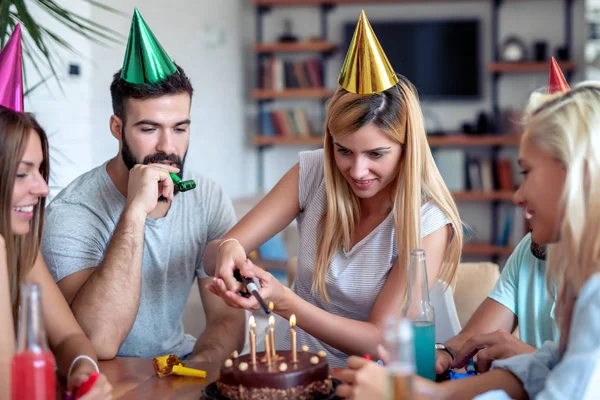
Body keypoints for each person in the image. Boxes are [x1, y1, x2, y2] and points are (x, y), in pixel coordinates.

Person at [204, 11, 463, 368]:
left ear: (407, 148)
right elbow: (217, 253)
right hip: (288, 366)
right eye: (344, 151)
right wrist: (228, 251)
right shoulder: (313, 172)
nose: (357, 171)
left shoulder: (429, 222)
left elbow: (380, 340)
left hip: (364, 381)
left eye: (376, 154)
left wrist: (285, 302)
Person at [340, 81, 600, 399]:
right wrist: (418, 391)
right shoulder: (574, 276)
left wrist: (403, 393)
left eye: (527, 172)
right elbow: (544, 367)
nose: (518, 195)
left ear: (577, 175)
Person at [40, 9, 244, 361]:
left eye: (180, 128)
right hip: (106, 381)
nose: (168, 146)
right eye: (149, 129)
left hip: (180, 369)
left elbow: (228, 315)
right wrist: (135, 212)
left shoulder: (207, 196)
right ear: (117, 128)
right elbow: (98, 342)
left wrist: (198, 367)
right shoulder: (72, 211)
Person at [434, 58, 569, 375]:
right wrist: (445, 353)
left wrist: (530, 359)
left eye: (527, 172)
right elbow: (471, 341)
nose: (516, 195)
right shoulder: (530, 250)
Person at [0, 105, 112, 397]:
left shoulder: (20, 246)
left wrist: (83, 371)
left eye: (39, 171)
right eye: (23, 174)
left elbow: (69, 337)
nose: (42, 189)